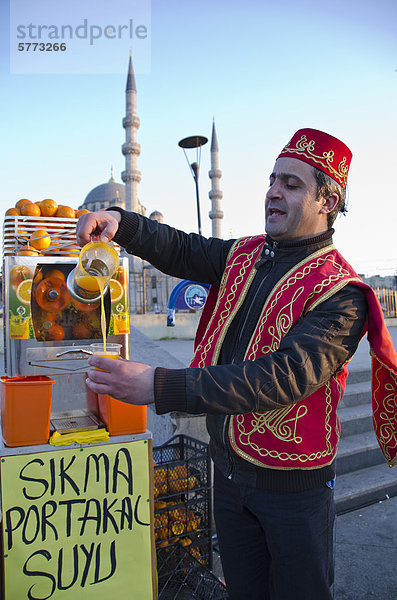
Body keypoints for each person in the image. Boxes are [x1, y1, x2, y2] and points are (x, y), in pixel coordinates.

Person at [76, 128, 397, 600]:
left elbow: (282, 377)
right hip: (228, 474)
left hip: (292, 491)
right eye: (272, 179)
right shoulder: (244, 255)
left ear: (327, 201)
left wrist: (159, 386)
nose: (272, 190)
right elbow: (182, 248)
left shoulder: (341, 291)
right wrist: (120, 224)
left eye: (291, 183)